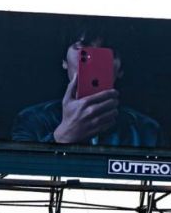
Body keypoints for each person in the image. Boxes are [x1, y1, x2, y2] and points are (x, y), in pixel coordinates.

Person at [12, 27, 160, 147]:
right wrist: (62, 137)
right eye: (83, 49)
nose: (92, 60)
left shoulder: (147, 130)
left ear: (121, 69)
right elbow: (19, 170)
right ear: (64, 61)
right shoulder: (32, 120)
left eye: (106, 53)